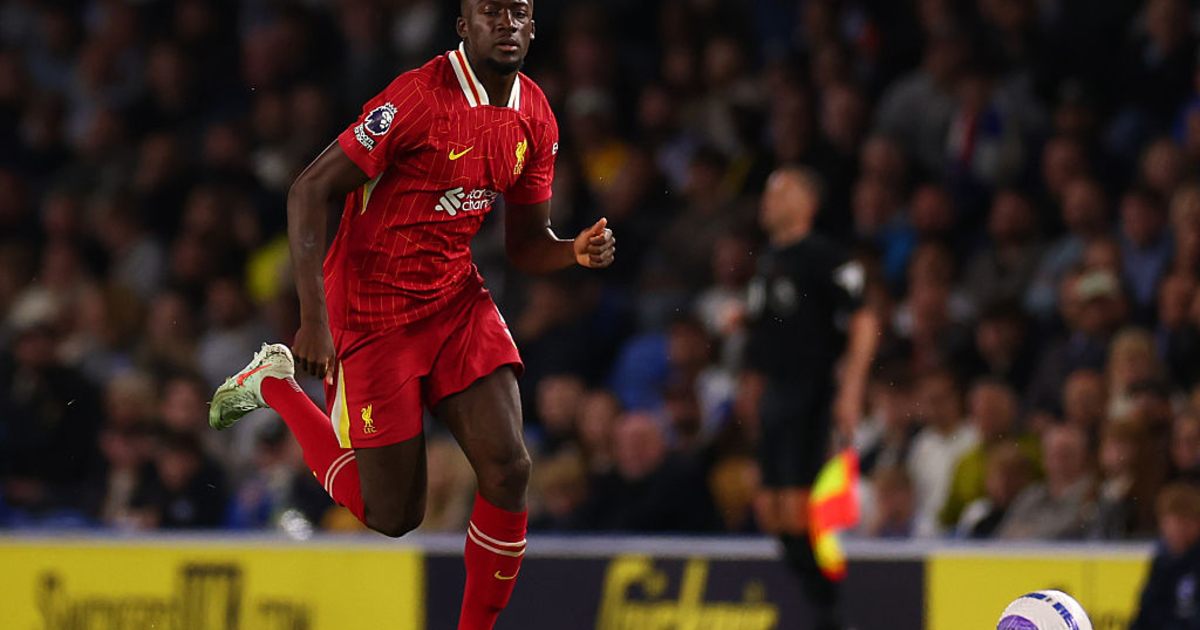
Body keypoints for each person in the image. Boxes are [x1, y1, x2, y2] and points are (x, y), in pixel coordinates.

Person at [205, 3, 616, 629]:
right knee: (394, 515)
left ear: (533, 28)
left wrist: (571, 251)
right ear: (463, 26)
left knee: (510, 469)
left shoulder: (536, 116)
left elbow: (527, 245)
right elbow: (309, 190)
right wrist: (314, 320)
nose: (506, 22)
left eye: (519, 11)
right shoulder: (417, 99)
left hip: (454, 299)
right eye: (490, 10)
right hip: (371, 312)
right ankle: (275, 385)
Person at [744, 166, 879, 630]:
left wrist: (851, 389)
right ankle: (821, 603)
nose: (769, 201)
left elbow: (864, 320)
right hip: (775, 395)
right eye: (768, 192)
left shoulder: (827, 256)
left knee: (800, 507)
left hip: (812, 392)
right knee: (770, 510)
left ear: (808, 202)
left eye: (782, 192)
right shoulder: (767, 260)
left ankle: (832, 609)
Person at [1130, 482, 1200, 630]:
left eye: (1183, 523)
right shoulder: (1162, 563)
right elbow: (1145, 615)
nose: (1176, 530)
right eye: (1169, 523)